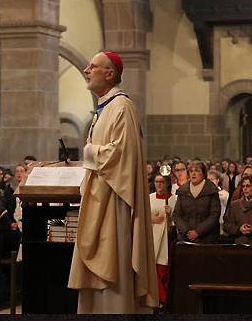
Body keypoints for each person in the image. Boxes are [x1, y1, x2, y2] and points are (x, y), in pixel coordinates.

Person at [68, 51, 158, 313]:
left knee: (113, 258)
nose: (86, 70)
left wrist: (87, 152)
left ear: (110, 73)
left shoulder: (122, 107)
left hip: (114, 200)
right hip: (99, 196)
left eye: (92, 66)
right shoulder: (105, 107)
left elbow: (121, 154)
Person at [172, 160, 221, 243]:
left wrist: (198, 232)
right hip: (185, 237)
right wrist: (187, 231)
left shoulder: (211, 190)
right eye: (191, 171)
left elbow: (214, 215)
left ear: (203, 173)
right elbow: (177, 215)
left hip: (207, 237)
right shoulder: (183, 191)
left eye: (197, 171)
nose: (193, 173)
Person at [149, 173, 177, 308]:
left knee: (164, 269)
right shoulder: (149, 198)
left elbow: (178, 220)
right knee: (153, 269)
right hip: (152, 238)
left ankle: (165, 300)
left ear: (167, 183)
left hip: (166, 238)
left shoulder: (173, 199)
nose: (159, 184)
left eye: (162, 182)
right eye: (156, 181)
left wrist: (171, 213)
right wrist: (151, 219)